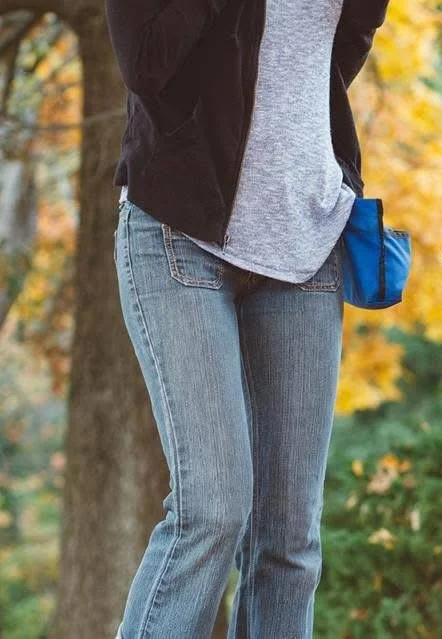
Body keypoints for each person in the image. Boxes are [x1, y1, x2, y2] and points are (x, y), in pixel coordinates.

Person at [105, 0, 389, 636]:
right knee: (211, 511)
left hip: (307, 248)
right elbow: (146, 64)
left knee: (289, 542)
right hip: (181, 232)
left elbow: (340, 50)